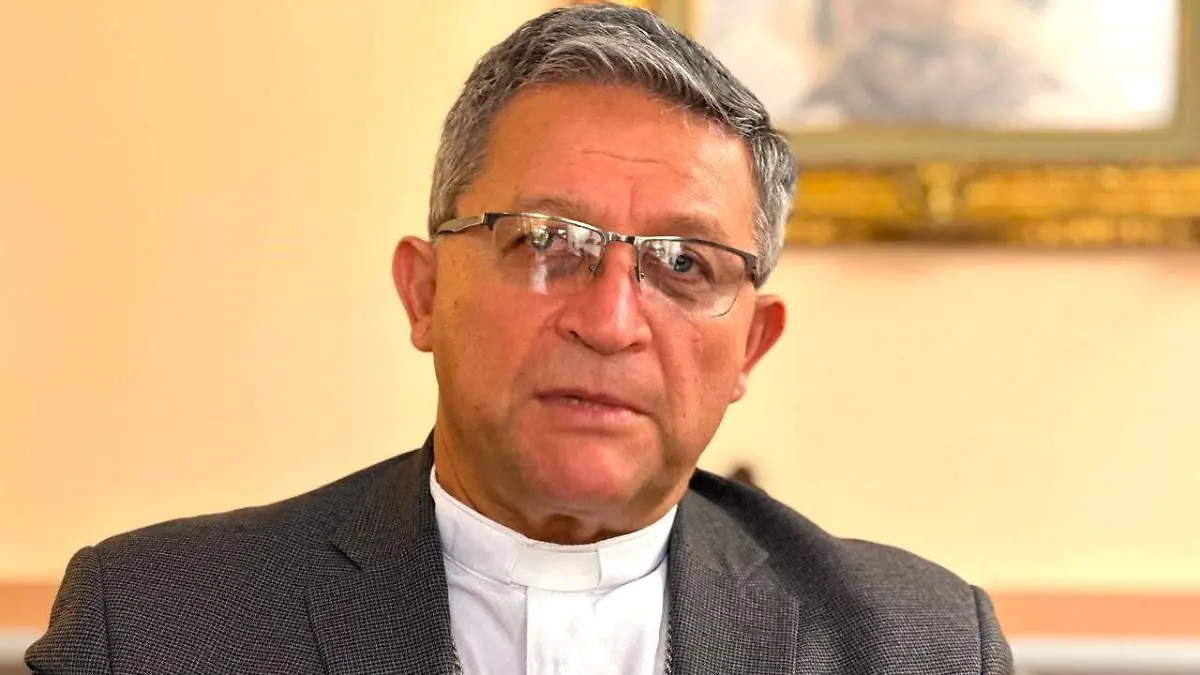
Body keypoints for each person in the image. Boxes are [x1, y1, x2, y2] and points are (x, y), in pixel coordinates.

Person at [26, 4, 1012, 674]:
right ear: (424, 292)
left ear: (750, 349)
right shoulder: (155, 628)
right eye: (546, 241)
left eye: (684, 264)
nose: (610, 322)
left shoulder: (911, 647)